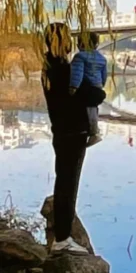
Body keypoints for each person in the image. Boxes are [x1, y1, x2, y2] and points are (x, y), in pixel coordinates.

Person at [40, 22, 91, 256]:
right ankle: (62, 238)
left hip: (61, 131)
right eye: (67, 38)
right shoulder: (64, 69)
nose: (71, 42)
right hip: (72, 133)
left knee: (64, 181)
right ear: (61, 41)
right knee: (68, 185)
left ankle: (62, 236)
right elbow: (87, 96)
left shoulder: (49, 67)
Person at [69, 30, 108, 145]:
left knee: (88, 109)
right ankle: (94, 132)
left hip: (86, 88)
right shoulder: (102, 58)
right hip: (97, 87)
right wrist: (101, 85)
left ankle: (93, 132)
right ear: (96, 45)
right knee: (93, 109)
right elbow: (104, 75)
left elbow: (77, 73)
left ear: (80, 45)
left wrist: (73, 87)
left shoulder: (80, 57)